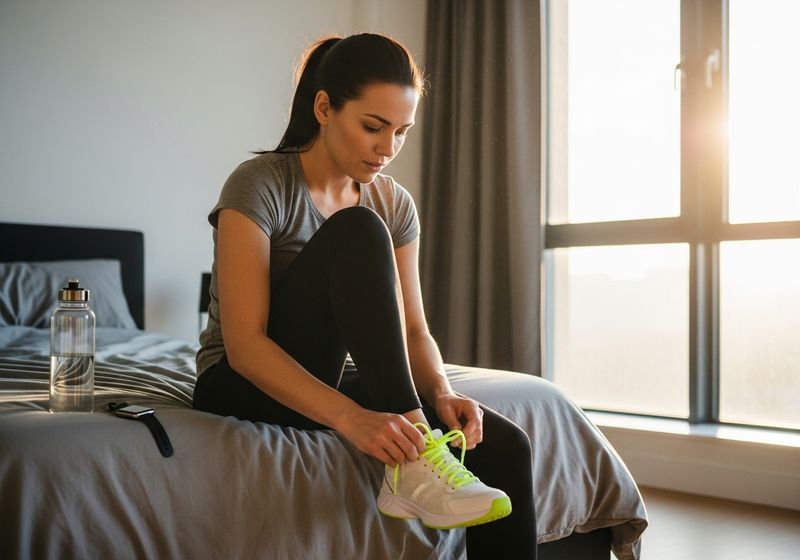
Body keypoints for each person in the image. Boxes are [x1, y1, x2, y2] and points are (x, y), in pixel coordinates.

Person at [193, 33, 537, 559]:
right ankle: (419, 466)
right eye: (373, 127)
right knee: (359, 230)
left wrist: (441, 393)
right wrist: (353, 419)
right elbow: (244, 345)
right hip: (238, 382)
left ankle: (422, 454)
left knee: (504, 446)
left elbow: (414, 329)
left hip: (330, 371)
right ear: (325, 107)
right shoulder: (258, 185)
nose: (388, 148)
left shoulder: (394, 202)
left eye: (401, 132)